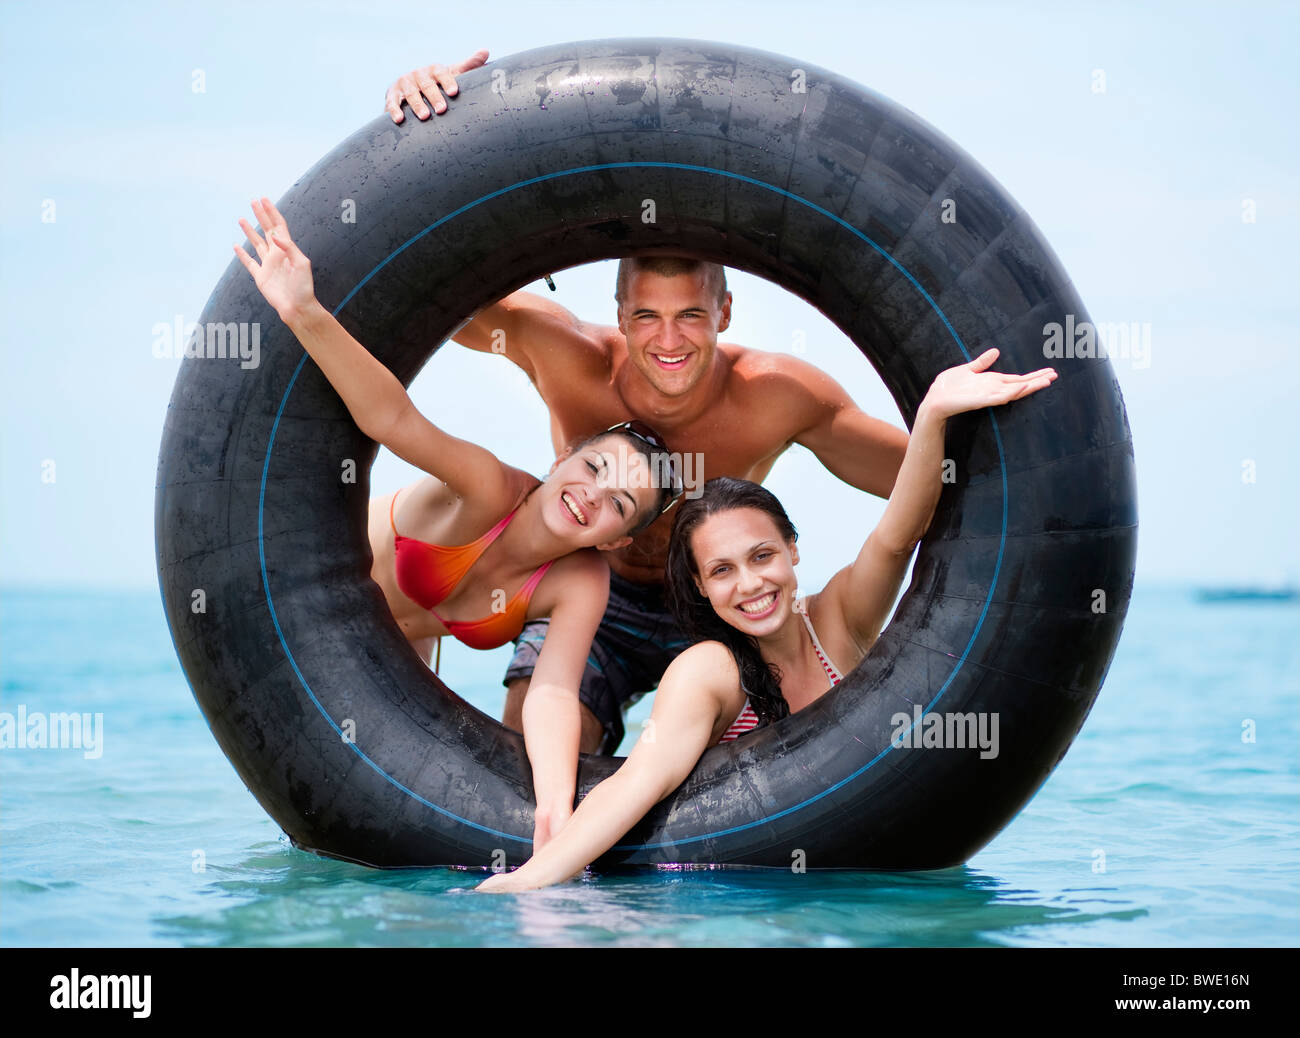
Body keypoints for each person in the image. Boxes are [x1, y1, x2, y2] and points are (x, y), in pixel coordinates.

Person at [380, 52, 913, 757]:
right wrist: (428, 131)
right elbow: (417, 288)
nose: (668, 341)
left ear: (725, 310)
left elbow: (924, 476)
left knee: (735, 784)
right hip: (592, 592)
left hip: (718, 600)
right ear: (620, 313)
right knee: (533, 750)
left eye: (690, 315)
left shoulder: (780, 396)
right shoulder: (562, 352)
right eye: (647, 317)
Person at [476, 348, 1057, 891]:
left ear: (793, 550)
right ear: (702, 588)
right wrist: (534, 879)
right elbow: (638, 780)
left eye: (762, 556)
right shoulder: (711, 669)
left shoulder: (840, 621)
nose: (751, 585)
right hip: (739, 899)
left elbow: (898, 534)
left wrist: (931, 415)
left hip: (854, 882)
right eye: (723, 570)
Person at [233, 197, 677, 848]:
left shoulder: (581, 579)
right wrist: (303, 309)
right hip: (309, 600)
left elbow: (554, 692)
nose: (592, 496)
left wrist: (556, 806)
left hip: (395, 655)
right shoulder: (487, 487)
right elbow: (392, 420)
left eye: (618, 503)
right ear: (564, 458)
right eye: (594, 470)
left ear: (616, 538)